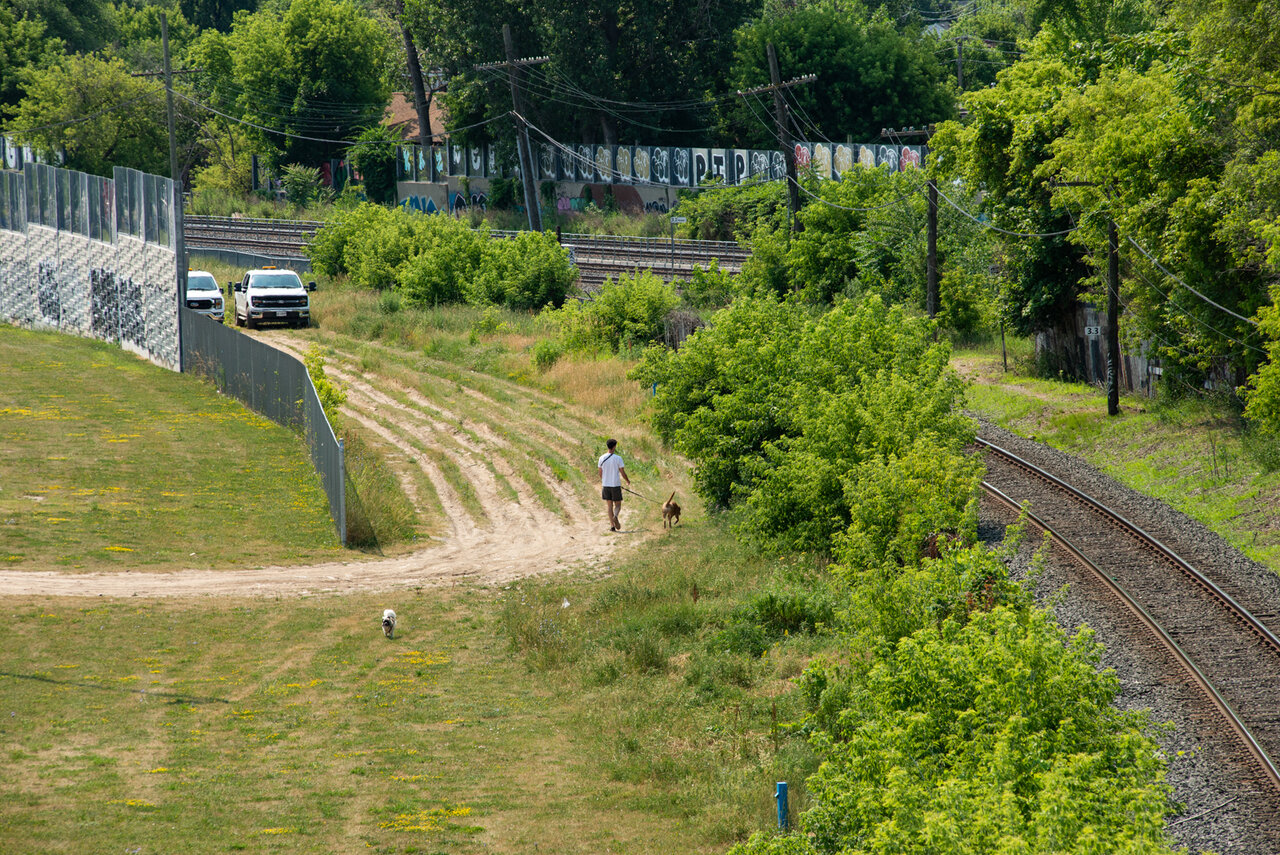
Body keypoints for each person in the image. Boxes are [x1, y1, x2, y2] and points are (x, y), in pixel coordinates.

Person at [598, 438, 630, 531]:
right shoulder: (618, 458)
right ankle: (615, 516)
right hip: (615, 485)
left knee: (609, 506)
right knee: (618, 505)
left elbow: (600, 472)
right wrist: (627, 480)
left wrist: (604, 480)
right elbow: (622, 472)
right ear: (614, 447)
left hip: (606, 485)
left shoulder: (601, 458)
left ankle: (612, 526)